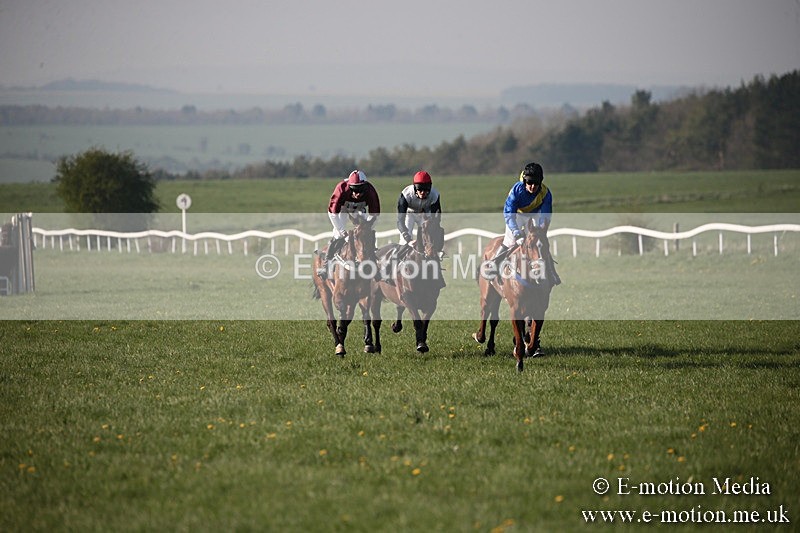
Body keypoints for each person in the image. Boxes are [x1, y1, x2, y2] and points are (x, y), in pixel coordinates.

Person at [484, 162, 561, 285]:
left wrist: (541, 230)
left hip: (534, 214)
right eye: (529, 183)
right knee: (510, 241)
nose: (532, 186)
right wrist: (516, 233)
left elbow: (545, 215)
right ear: (524, 181)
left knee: (540, 242)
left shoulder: (546, 193)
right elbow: (509, 213)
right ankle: (493, 264)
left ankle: (551, 271)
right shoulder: (516, 190)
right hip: (517, 215)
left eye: (536, 183)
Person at [317, 169, 380, 279]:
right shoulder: (341, 188)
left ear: (365, 187)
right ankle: (326, 266)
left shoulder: (371, 191)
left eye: (361, 190)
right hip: (342, 210)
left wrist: (366, 229)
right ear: (349, 186)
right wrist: (342, 232)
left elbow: (375, 215)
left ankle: (374, 265)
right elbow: (332, 213)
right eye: (354, 189)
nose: (357, 193)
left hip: (360, 210)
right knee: (337, 235)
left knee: (366, 236)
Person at [396, 170, 442, 245]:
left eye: (426, 189)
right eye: (420, 189)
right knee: (404, 242)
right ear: (415, 188)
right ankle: (399, 255)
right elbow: (400, 221)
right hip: (409, 214)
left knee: (428, 240)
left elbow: (436, 218)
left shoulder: (434, 195)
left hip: (424, 214)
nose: (423, 192)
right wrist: (407, 238)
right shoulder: (406, 194)